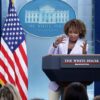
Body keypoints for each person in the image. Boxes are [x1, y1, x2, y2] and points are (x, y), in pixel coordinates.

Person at [48, 19, 89, 100]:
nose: (72, 35)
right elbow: (50, 55)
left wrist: (84, 53)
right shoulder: (61, 40)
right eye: (70, 32)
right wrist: (55, 44)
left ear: (80, 32)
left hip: (72, 81)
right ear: (67, 31)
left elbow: (84, 63)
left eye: (75, 32)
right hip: (57, 79)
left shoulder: (83, 44)